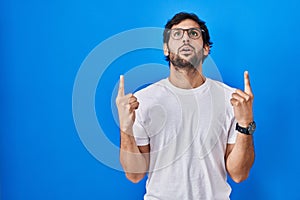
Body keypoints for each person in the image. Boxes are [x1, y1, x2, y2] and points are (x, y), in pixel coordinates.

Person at [116, 12, 255, 200]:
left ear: (206, 48)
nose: (185, 39)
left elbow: (239, 174)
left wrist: (246, 124)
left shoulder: (229, 99)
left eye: (193, 34)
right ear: (166, 48)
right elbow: (134, 175)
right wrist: (126, 129)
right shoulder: (143, 101)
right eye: (177, 34)